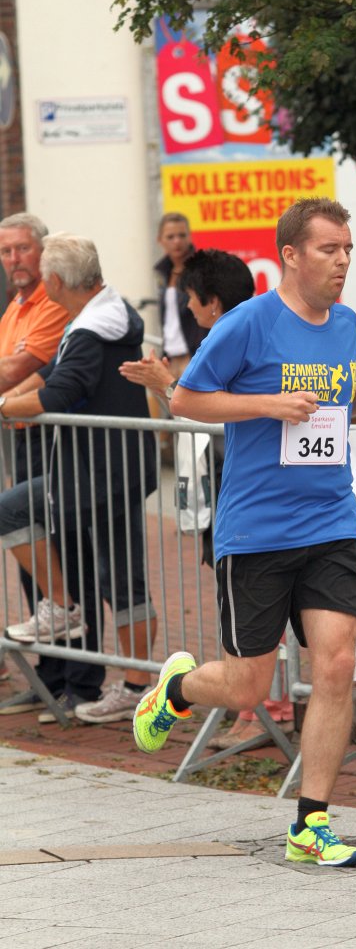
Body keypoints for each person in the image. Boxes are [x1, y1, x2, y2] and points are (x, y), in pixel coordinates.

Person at [132, 196, 356, 867]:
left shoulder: (345, 324)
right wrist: (267, 404)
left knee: (336, 662)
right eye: (328, 249)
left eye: (347, 249)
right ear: (290, 255)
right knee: (249, 688)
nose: (342, 260)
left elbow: (328, 409)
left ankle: (311, 824)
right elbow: (185, 398)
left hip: (330, 518)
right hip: (256, 529)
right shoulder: (247, 323)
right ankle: (177, 688)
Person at [120, 248, 292, 743]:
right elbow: (208, 409)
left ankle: (261, 711)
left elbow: (221, 415)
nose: (189, 309)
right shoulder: (236, 335)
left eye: (192, 300)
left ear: (212, 302)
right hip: (233, 496)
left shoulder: (237, 339)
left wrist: (168, 385)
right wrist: (170, 387)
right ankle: (255, 709)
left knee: (261, 618)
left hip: (242, 497)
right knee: (251, 618)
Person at [0, 233, 158, 722]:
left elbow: (58, 393)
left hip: (103, 469)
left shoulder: (92, 328)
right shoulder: (99, 315)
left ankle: (128, 676)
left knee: (121, 578)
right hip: (102, 466)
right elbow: (53, 373)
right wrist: (11, 401)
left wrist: (4, 407)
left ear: (54, 281)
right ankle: (73, 619)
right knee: (119, 577)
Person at [0, 213, 103, 714]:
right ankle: (50, 674)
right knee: (34, 560)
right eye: (6, 252)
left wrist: (7, 391)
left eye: (22, 249)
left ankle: (81, 683)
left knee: (68, 555)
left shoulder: (52, 303)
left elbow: (18, 369)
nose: (14, 260)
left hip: (52, 439)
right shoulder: (15, 307)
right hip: (22, 438)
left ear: (43, 254)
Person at [155, 213, 207, 380]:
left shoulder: (199, 269)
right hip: (170, 357)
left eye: (182, 235)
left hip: (193, 356)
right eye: (170, 237)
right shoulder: (163, 272)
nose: (177, 241)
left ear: (190, 237)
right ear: (160, 240)